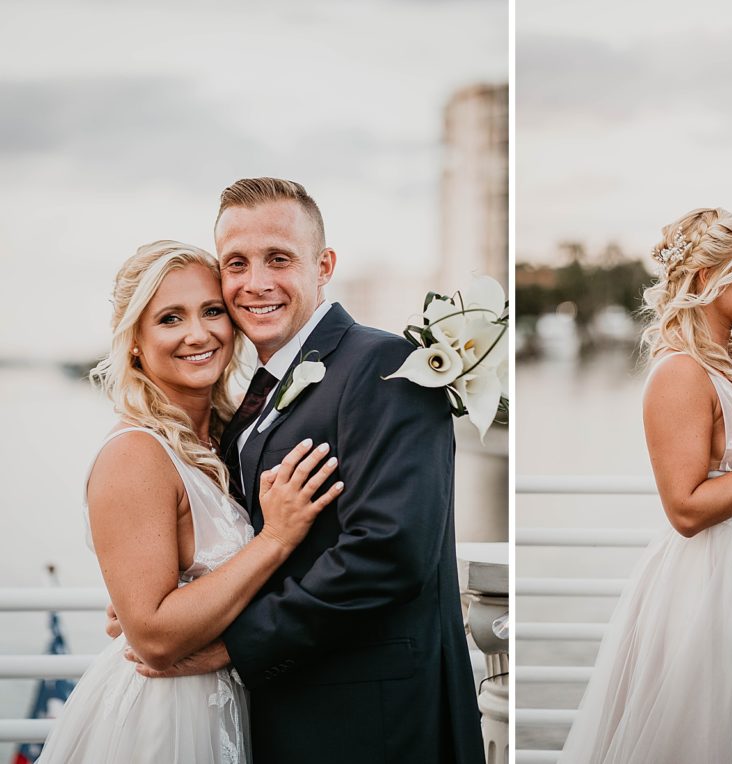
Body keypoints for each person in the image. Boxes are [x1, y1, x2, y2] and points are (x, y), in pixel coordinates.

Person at [120, 178, 486, 763]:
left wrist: (234, 646)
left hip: (372, 724)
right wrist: (170, 594)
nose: (256, 283)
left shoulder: (386, 366)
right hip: (287, 715)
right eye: (236, 263)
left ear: (324, 266)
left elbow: (389, 551)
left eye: (279, 259)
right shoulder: (258, 394)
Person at [38, 241, 341, 763]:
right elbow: (154, 639)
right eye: (170, 318)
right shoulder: (135, 454)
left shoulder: (230, 435)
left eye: (212, 311)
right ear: (135, 341)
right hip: (168, 715)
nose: (198, 334)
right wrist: (274, 538)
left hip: (234, 701)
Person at [559, 208, 732, 763]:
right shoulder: (680, 374)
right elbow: (685, 509)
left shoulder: (731, 361)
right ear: (707, 278)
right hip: (710, 585)